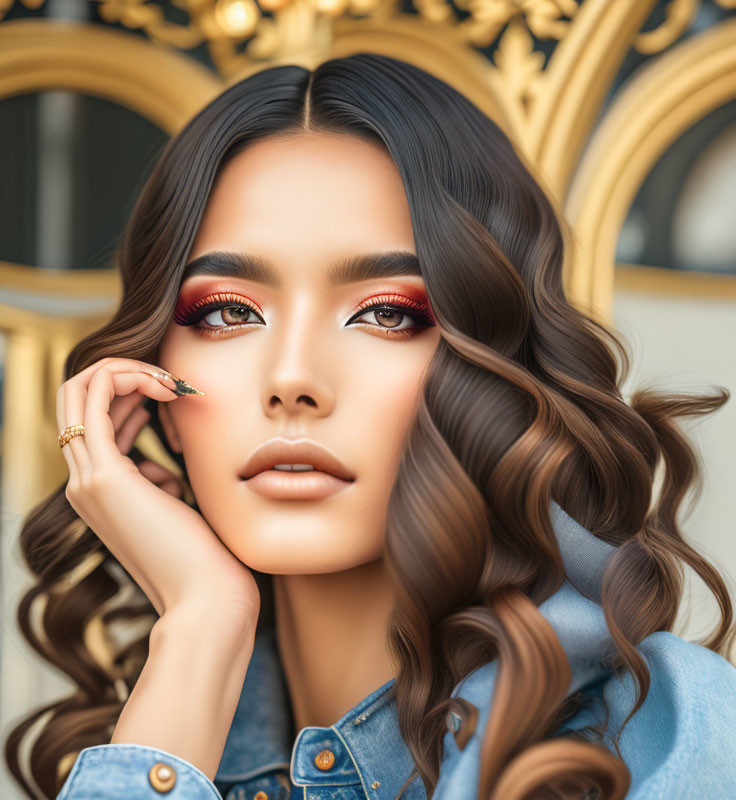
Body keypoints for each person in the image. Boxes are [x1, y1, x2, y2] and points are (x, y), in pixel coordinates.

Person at [6, 53, 736, 800]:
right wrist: (199, 631)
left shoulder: (676, 748)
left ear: (492, 362)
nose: (293, 379)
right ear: (154, 382)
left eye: (386, 313)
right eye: (228, 312)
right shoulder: (165, 725)